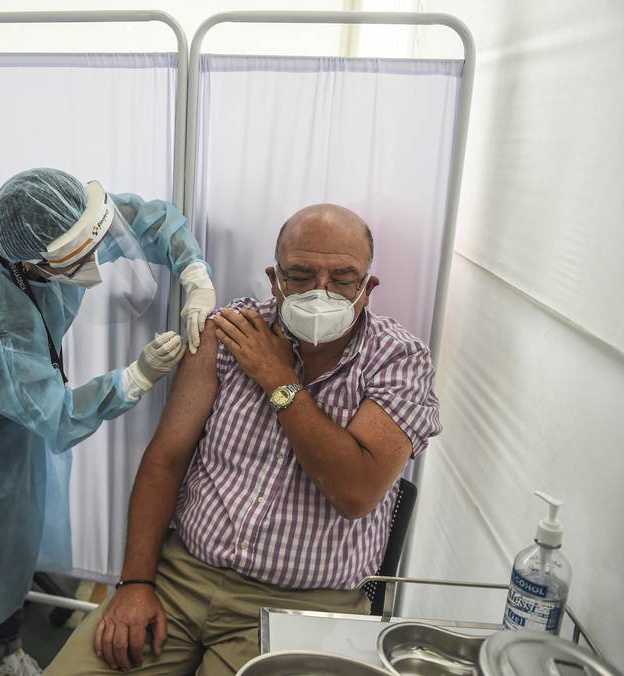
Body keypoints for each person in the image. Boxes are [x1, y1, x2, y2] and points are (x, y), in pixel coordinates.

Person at [44, 203, 441, 675]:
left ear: (368, 288)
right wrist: (134, 583)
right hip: (182, 576)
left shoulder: (399, 360)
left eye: (342, 278)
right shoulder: (228, 332)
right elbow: (166, 459)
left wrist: (276, 377)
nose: (321, 293)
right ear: (275, 279)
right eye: (300, 274)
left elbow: (354, 493)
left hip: (305, 605)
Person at [0, 168, 216, 676]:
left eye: (92, 245)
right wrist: (133, 378)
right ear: (32, 265)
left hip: (7, 410)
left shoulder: (57, 223)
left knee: (18, 535)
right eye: (75, 260)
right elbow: (56, 416)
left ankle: (6, 644)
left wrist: (193, 270)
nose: (93, 262)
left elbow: (144, 220)